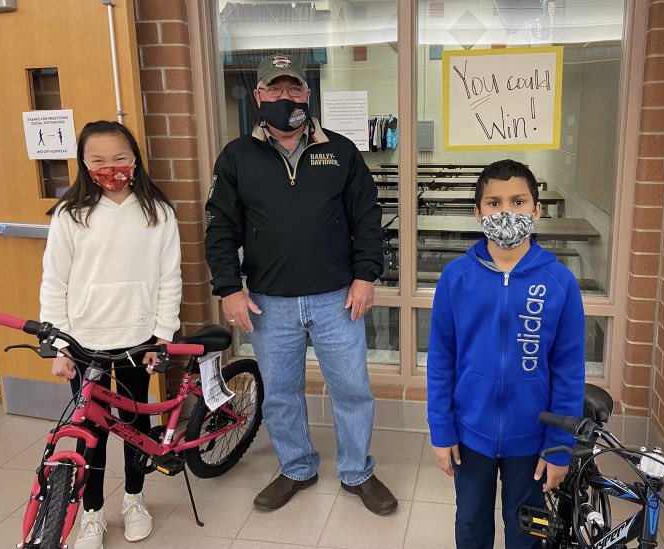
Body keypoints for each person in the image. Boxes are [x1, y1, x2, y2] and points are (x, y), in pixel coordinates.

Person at [205, 54, 397, 514]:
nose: (285, 98)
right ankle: (296, 467)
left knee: (352, 387)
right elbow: (220, 226)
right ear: (259, 96)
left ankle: (357, 470)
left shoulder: (342, 151)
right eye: (275, 90)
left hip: (337, 299)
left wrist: (366, 276)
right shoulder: (237, 156)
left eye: (294, 90)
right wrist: (230, 288)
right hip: (269, 303)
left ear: (307, 96)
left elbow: (368, 221)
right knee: (282, 391)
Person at [427, 160, 585, 549]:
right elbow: (441, 360)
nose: (506, 213)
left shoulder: (559, 281)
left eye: (518, 201)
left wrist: (559, 446)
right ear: (477, 212)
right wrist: (441, 430)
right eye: (494, 203)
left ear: (537, 209)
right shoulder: (456, 277)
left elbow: (568, 370)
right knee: (471, 523)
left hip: (532, 439)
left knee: (527, 530)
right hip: (470, 435)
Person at [41, 120, 181, 549]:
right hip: (85, 346)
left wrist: (161, 336)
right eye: (98, 160)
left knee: (137, 426)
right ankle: (92, 512)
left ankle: (135, 500)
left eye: (119, 158)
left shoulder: (157, 211)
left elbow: (169, 278)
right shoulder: (71, 214)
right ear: (84, 164)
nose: (110, 168)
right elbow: (54, 282)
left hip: (139, 342)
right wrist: (59, 345)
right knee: (93, 433)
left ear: (135, 158)